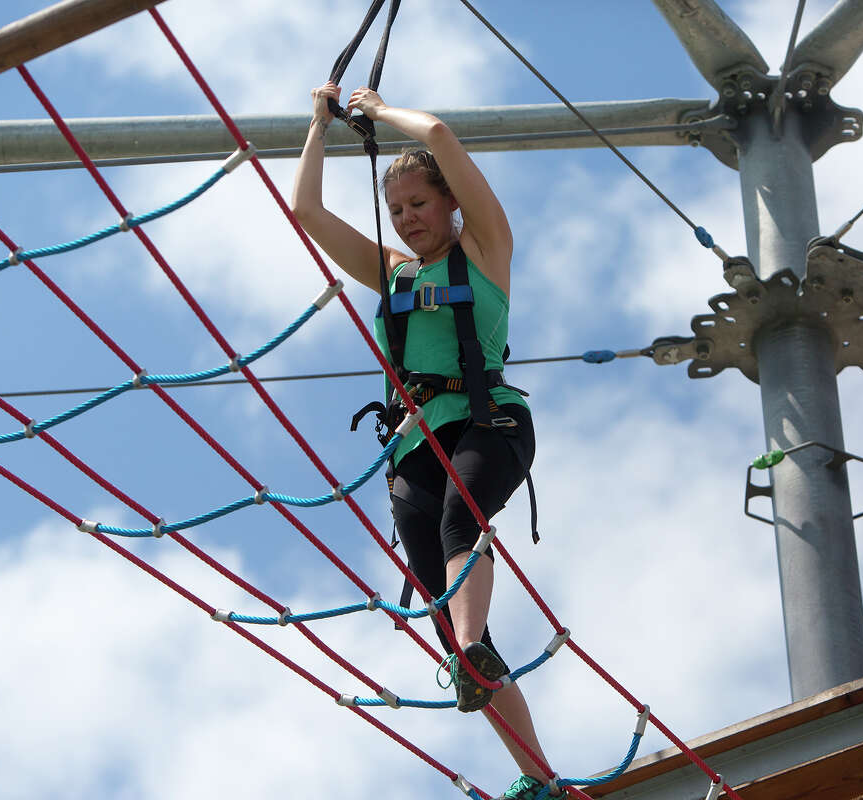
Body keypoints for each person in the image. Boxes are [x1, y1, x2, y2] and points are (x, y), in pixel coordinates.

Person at [291, 83, 558, 800]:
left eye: (420, 204)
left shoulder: (485, 249)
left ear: (451, 206)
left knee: (459, 524)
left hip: (486, 419)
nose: (409, 220)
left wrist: (376, 115)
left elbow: (438, 131)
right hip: (412, 447)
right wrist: (319, 127)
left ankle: (472, 650)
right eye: (397, 210)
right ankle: (538, 776)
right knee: (437, 603)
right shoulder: (392, 273)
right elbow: (306, 212)